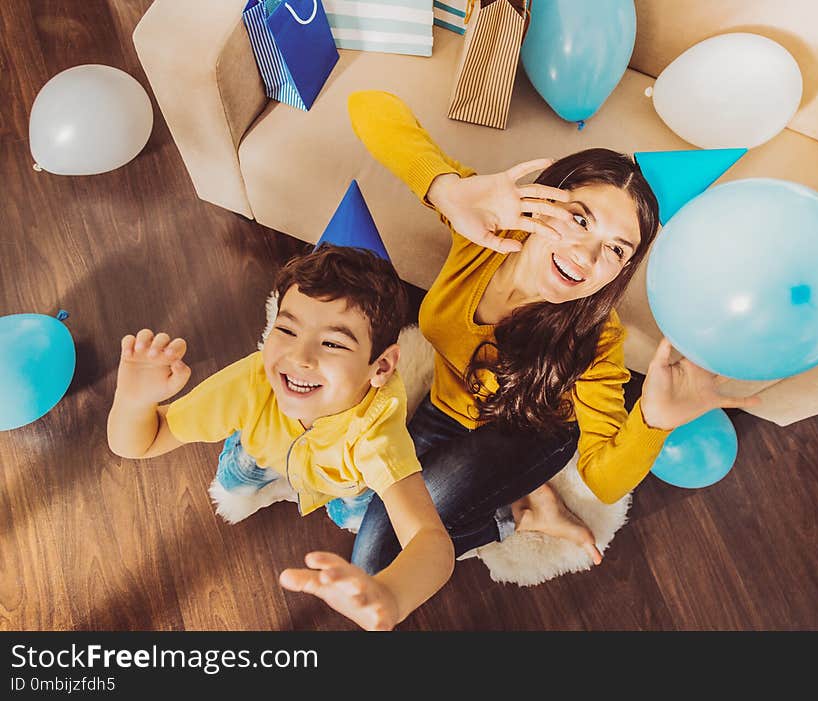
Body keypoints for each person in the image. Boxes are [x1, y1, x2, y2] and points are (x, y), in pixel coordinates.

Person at [346, 91, 760, 574]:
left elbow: (602, 482)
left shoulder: (598, 341)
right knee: (381, 504)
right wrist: (445, 188)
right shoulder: (486, 233)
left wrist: (654, 420)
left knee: (378, 556)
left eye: (616, 250)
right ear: (542, 199)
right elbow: (367, 104)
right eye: (579, 219)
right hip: (445, 408)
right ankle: (524, 510)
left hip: (527, 434)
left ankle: (523, 509)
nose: (585, 255)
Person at [107, 244, 454, 631]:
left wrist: (391, 595)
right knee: (236, 480)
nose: (299, 356)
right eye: (286, 329)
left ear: (382, 366)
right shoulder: (251, 383)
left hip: (344, 482)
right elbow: (140, 442)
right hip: (263, 454)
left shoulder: (375, 434)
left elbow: (432, 542)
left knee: (351, 512)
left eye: (333, 343)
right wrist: (132, 400)